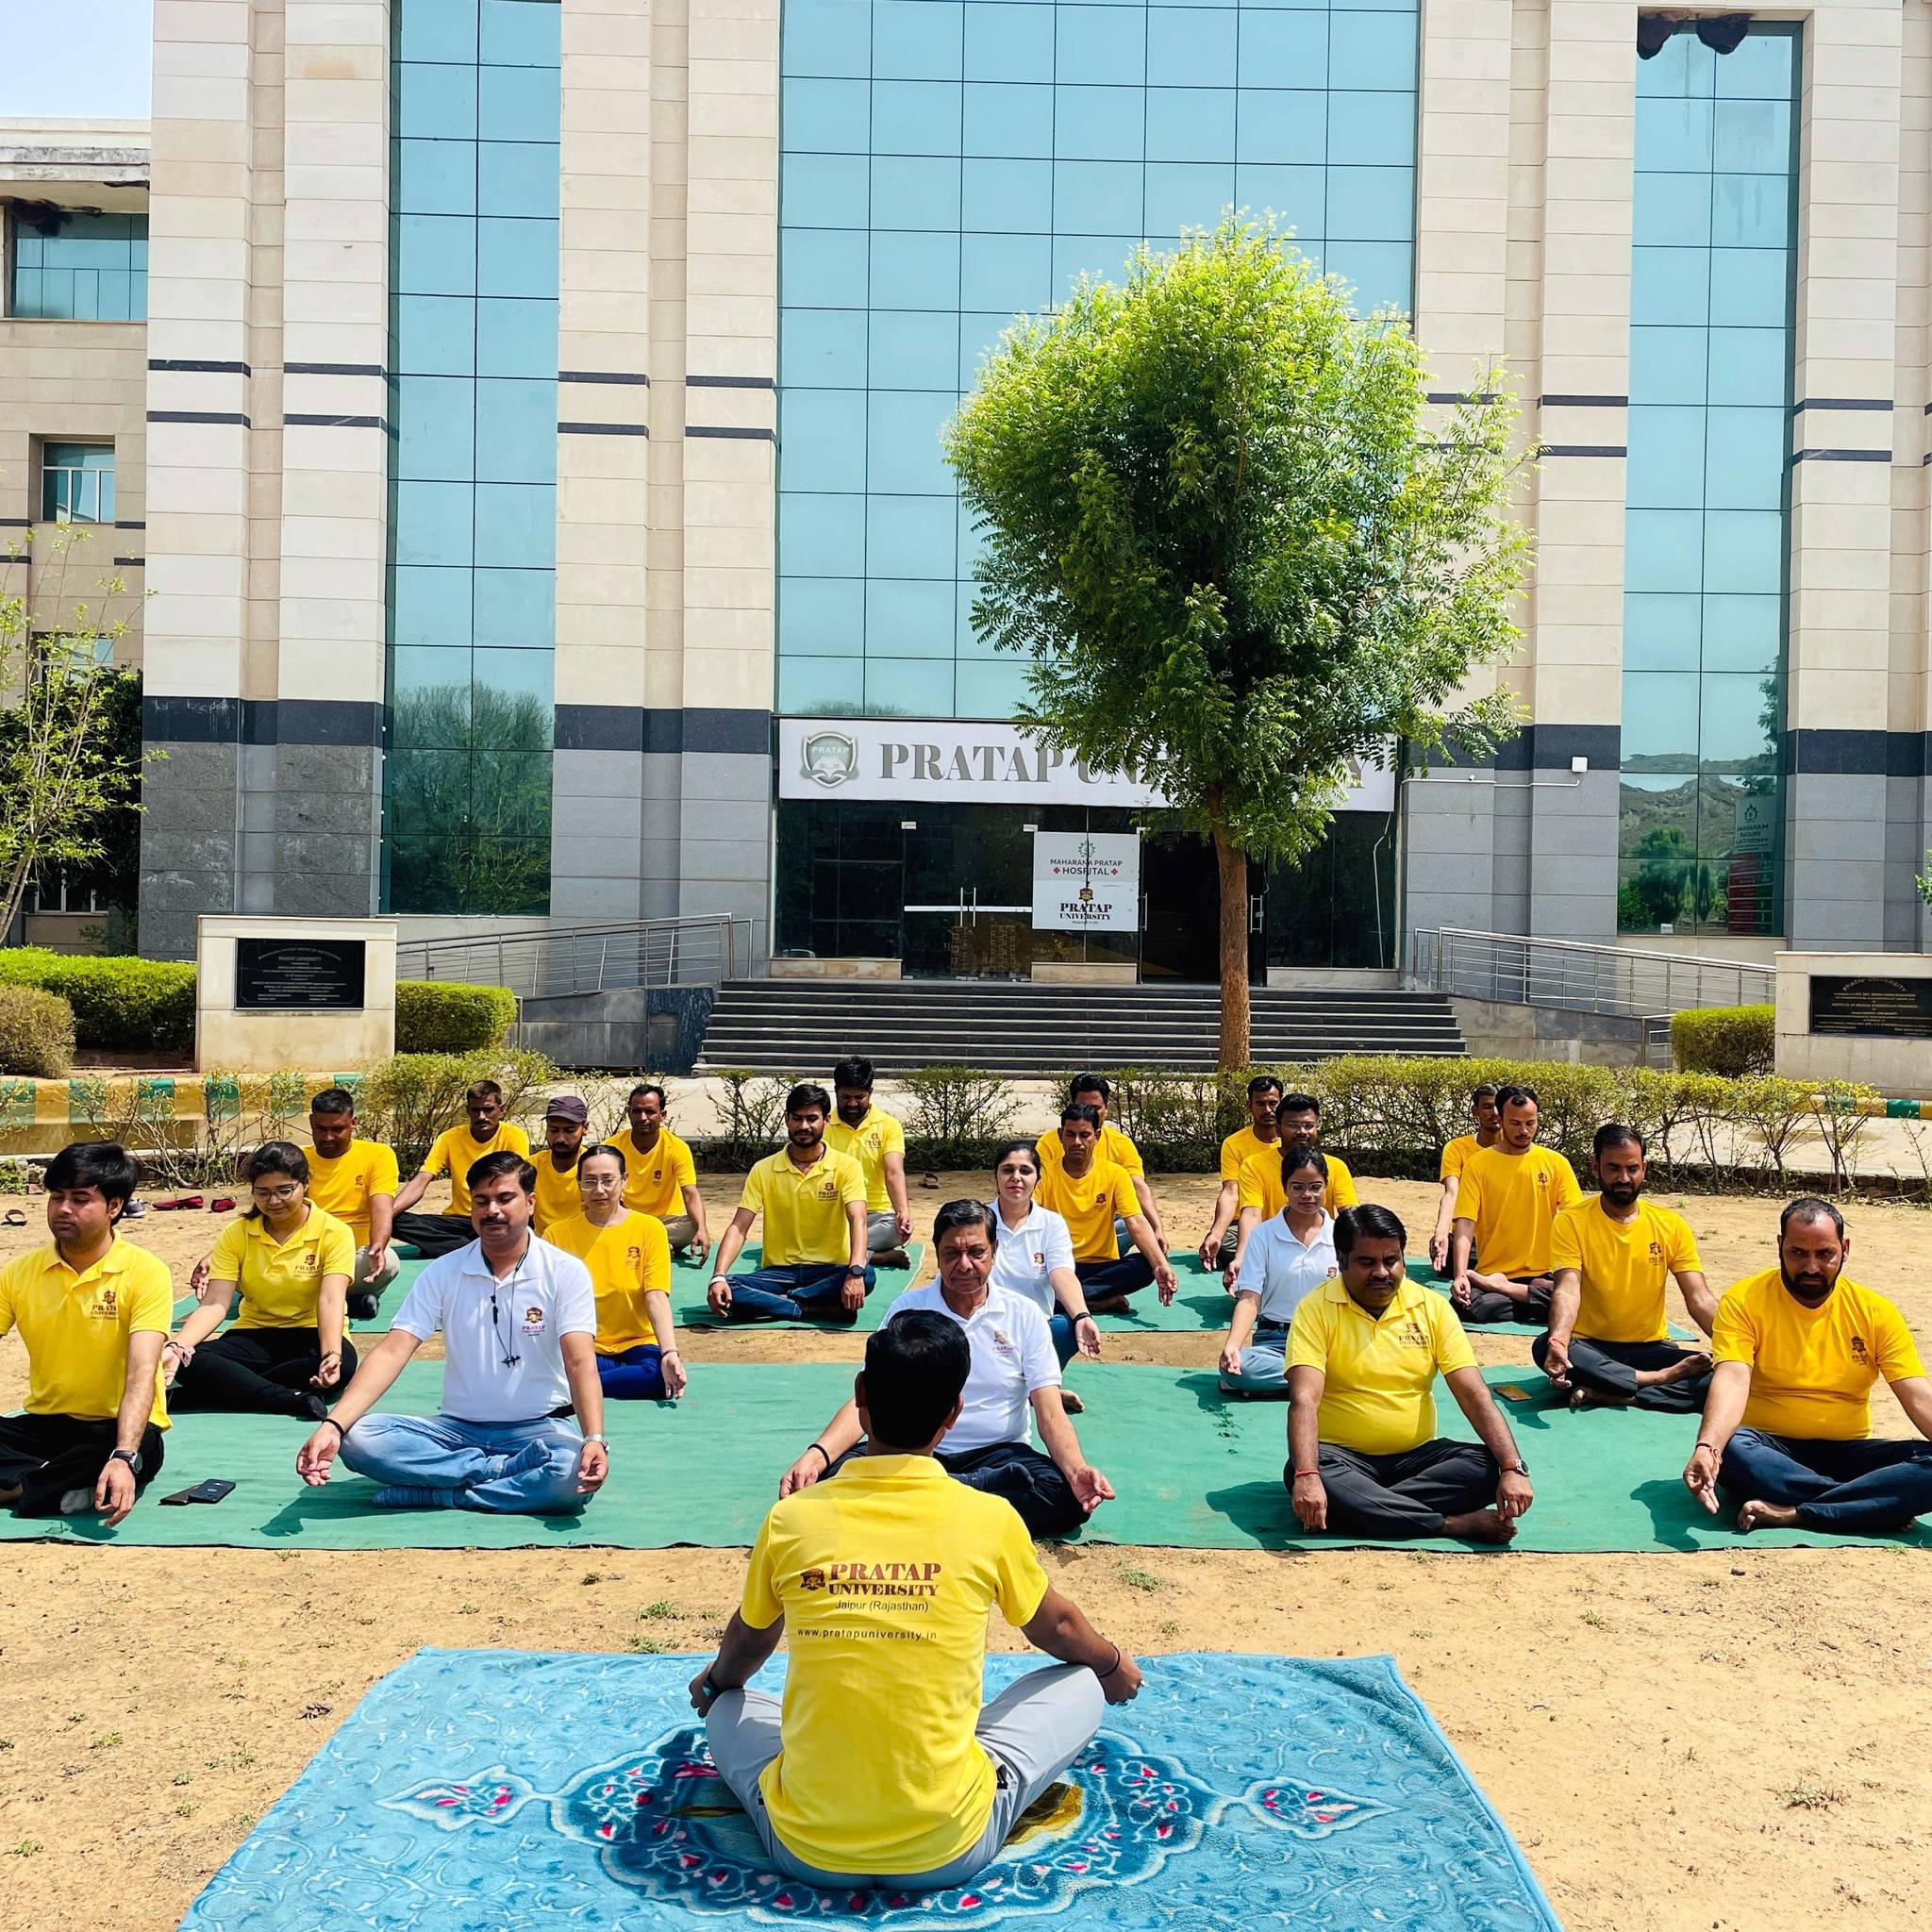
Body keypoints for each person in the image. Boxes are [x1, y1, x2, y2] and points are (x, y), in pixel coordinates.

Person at [691, 1310, 1141, 1893]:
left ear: (861, 1397)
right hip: (948, 1847)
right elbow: (1056, 1627)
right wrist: (1111, 1663)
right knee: (1081, 1680)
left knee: (727, 1706)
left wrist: (717, 1683)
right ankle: (951, 1773)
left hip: (807, 1849)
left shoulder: (791, 1519)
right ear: (954, 1413)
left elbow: (749, 1641)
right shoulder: (989, 1518)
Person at [294, 1150, 608, 1513]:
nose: (492, 1210)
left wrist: (594, 1438)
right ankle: (500, 1473)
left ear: (530, 1202)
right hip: (457, 1431)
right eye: (481, 1201)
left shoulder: (564, 1271)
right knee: (359, 1440)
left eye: (505, 1198)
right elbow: (393, 1350)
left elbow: (579, 1361)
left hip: (539, 1428)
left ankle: (441, 1494)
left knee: (571, 1475)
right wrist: (333, 1425)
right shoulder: (445, 1271)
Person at [780, 1200, 1115, 1537]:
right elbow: (869, 1399)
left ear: (995, 1250)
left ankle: (916, 1503)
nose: (964, 1265)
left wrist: (1076, 1470)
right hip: (914, 1452)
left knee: (1065, 1497)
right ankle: (963, 1495)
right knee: (829, 1478)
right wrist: (818, 1455)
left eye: (976, 1252)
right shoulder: (907, 1311)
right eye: (952, 1253)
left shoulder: (1024, 1315)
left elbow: (1050, 1412)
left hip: (998, 1457)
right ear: (937, 1254)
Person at [1287, 1204, 1535, 1544]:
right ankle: (1448, 1524)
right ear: (1342, 1261)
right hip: (1340, 1457)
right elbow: (1304, 1399)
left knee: (1488, 1465)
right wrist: (1307, 1475)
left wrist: (1511, 1467)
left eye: (1391, 1260)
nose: (1381, 1272)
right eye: (1366, 1262)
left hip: (1417, 1459)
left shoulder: (1431, 1307)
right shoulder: (1314, 1310)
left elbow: (1473, 1393)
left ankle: (1359, 1507)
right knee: (1303, 1471)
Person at [1684, 1199, 1932, 1535]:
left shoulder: (1876, 1312)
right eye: (1798, 1253)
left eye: (1825, 1254)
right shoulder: (1744, 1300)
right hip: (1769, 1452)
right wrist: (1708, 1447)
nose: (1812, 1267)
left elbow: (1916, 1394)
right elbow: (1732, 1378)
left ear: (1845, 1249)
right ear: (1779, 1246)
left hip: (1848, 1455)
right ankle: (1872, 1504)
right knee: (1732, 1449)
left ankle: (1799, 1513)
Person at [0, 1141, 169, 1523]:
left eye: (80, 1199)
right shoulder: (19, 1272)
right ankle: (38, 1487)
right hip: (46, 1424)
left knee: (129, 1451)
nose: (63, 1208)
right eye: (56, 1197)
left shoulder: (145, 1272)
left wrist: (123, 1456)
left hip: (115, 1430)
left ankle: (26, 1485)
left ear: (114, 1206)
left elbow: (142, 1371)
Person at [166, 1142, 357, 1420]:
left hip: (311, 1333)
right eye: (263, 1193)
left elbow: (330, 1299)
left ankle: (222, 1390)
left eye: (284, 1190)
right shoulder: (237, 1233)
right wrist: (177, 1346)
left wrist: (332, 1354)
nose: (274, 1201)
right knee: (189, 1361)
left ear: (305, 1184)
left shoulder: (334, 1232)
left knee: (341, 1368)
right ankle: (289, 1399)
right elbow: (216, 1302)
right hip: (253, 1333)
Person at [1536, 1124, 1716, 1412]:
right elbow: (1567, 1290)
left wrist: (1738, 1345)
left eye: (1632, 1169)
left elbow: (1700, 1298)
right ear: (1595, 1167)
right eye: (1613, 1168)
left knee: (1722, 1376)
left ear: (1644, 1168)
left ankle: (1620, 1393)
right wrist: (1559, 1340)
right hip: (1592, 1348)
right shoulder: (1571, 1221)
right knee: (1545, 1345)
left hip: (1651, 1348)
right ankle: (1658, 1381)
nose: (1623, 1178)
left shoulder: (1671, 1225)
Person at [707, 1084, 874, 1324]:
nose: (804, 1126)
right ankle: (806, 1308)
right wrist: (718, 1276)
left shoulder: (847, 1167)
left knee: (867, 1275)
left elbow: (858, 1219)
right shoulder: (763, 1169)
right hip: (778, 1273)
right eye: (797, 1118)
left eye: (812, 1119)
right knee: (728, 1287)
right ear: (786, 1119)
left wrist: (855, 1272)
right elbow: (739, 1227)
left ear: (826, 1120)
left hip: (828, 1272)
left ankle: (782, 1302)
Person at [544, 1143, 687, 1401]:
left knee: (659, 1375)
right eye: (590, 1181)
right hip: (584, 1343)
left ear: (625, 1181)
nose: (599, 1190)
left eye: (608, 1180)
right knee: (558, 1366)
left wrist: (669, 1352)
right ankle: (594, 1379)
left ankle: (577, 1386)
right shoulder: (556, 1235)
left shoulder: (650, 1229)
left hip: (638, 1341)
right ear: (579, 1184)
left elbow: (656, 1296)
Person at [1448, 1085, 1581, 1324]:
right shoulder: (1478, 1164)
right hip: (1492, 1272)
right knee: (1465, 1305)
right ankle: (1536, 1303)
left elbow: (1577, 1220)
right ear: (1500, 1119)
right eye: (1515, 1123)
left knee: (1581, 1297)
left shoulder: (1556, 1163)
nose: (1524, 1131)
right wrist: (1460, 1275)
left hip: (1543, 1274)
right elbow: (1465, 1223)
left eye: (1530, 1123)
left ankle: (1506, 1290)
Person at [1033, 1104, 1175, 1314]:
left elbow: (1135, 1221)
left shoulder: (1115, 1174)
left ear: (1097, 1136)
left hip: (1101, 1267)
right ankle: (1095, 1302)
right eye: (1070, 1135)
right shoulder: (1043, 1175)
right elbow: (1027, 1217)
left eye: (1084, 1135)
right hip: (1058, 1265)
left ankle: (1063, 1300)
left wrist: (1160, 1265)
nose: (1077, 1142)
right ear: (1061, 1135)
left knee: (1146, 1265)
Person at [1219, 1147, 1334, 1395]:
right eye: (1297, 1187)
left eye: (1315, 1187)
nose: (1307, 1195)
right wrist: (1233, 1345)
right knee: (1239, 1368)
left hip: (1328, 1341)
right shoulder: (1263, 1235)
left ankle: (1296, 1382)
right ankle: (1322, 1381)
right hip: (1274, 1343)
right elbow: (1249, 1298)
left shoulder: (1341, 1235)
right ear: (1284, 1188)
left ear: (1326, 1186)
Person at [986, 1138, 1099, 1384]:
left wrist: (1082, 1315)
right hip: (986, 1326)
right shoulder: (979, 1220)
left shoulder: (1051, 1223)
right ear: (996, 1177)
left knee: (1066, 1328)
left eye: (1025, 1171)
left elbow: (1062, 1273)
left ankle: (1036, 1387)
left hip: (1035, 1328)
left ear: (1038, 1179)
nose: (1016, 1178)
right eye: (1007, 1170)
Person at [386, 1079, 531, 1259]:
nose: (481, 1116)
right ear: (467, 1111)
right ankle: (470, 1248)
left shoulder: (514, 1136)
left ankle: (456, 1247)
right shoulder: (449, 1138)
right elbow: (423, 1178)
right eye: (475, 1110)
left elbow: (518, 1182)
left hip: (496, 1215)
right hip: (460, 1220)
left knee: (521, 1225)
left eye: (488, 1110)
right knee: (396, 1221)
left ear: (501, 1110)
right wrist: (386, 1214)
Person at [1226, 1093, 1357, 1285]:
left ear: (1317, 1127)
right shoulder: (1254, 1165)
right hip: (1274, 1251)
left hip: (1321, 1251)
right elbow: (1252, 1213)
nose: (1302, 1132)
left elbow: (1349, 1213)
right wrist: (1242, 1258)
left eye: (1308, 1126)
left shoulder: (1336, 1166)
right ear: (1278, 1129)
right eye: (1293, 1125)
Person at [304, 1086, 400, 1319]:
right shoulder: (297, 1158)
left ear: (354, 1122)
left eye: (337, 1129)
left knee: (388, 1262)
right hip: (307, 1257)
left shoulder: (379, 1155)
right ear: (311, 1122)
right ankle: (349, 1302)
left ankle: (291, 1299)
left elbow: (382, 1208)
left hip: (354, 1256)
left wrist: (378, 1246)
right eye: (321, 1128)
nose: (328, 1137)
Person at [1037, 1074, 1164, 1247]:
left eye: (1095, 1108)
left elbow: (1137, 1186)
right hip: (1060, 1229)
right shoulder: (1048, 1143)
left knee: (1141, 1222)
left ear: (1107, 1108)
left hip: (1104, 1226)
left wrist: (1157, 1228)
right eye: (1083, 1107)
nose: (1089, 1114)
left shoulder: (1121, 1144)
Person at [825, 1056, 914, 1271]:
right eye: (846, 1097)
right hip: (832, 1215)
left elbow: (893, 1173)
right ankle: (876, 1257)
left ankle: (839, 1252)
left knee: (895, 1230)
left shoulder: (889, 1126)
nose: (852, 1104)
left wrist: (902, 1213)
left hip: (875, 1217)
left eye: (859, 1097)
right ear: (836, 1091)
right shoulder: (823, 1125)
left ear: (871, 1092)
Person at [607, 1083, 710, 1260]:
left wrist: (702, 1229)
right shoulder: (611, 1147)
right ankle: (657, 1245)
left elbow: (690, 1193)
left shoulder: (677, 1148)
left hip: (665, 1222)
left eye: (650, 1112)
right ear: (629, 1113)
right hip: (627, 1220)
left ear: (662, 1115)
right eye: (637, 1111)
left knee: (694, 1224)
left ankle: (643, 1244)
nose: (643, 1118)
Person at [1197, 1074, 1282, 1274]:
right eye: (1260, 1104)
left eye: (1273, 1103)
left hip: (1284, 1221)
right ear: (1249, 1106)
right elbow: (1230, 1191)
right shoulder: (1234, 1144)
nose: (1267, 1110)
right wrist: (1216, 1234)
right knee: (1224, 1243)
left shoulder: (1293, 1141)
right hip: (1245, 1222)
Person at [1428, 1083, 1501, 1273]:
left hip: (1503, 1238)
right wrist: (1441, 1231)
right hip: (1467, 1237)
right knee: (1444, 1254)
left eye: (1498, 1106)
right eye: (1487, 1107)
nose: (1494, 1113)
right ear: (1475, 1111)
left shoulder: (1517, 1151)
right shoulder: (1456, 1148)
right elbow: (1452, 1193)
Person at [531, 1094, 591, 1235]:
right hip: (543, 1242)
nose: (560, 1138)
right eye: (554, 1130)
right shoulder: (532, 1167)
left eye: (569, 1130)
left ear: (585, 1128)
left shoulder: (594, 1167)